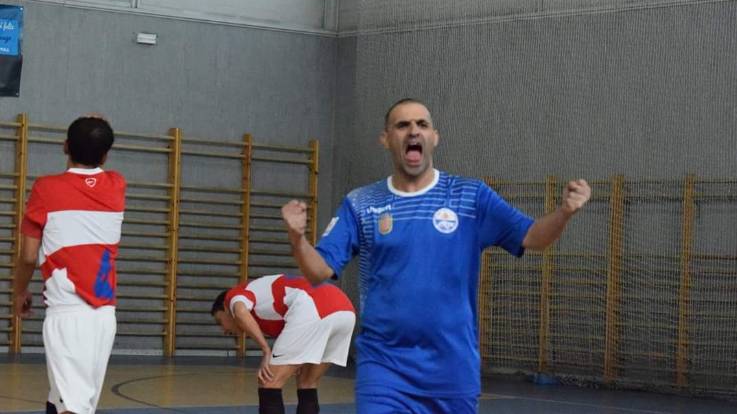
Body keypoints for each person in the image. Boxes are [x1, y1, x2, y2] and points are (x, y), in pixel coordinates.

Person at [281, 98, 592, 413]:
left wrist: (564, 213)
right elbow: (318, 271)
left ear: (434, 137)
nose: (413, 131)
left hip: (453, 369)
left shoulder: (471, 197)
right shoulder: (361, 203)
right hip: (385, 367)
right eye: (403, 125)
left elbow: (533, 237)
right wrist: (297, 239)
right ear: (386, 139)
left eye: (422, 124)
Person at [14, 116, 125, 414]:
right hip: (104, 316)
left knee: (71, 408)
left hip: (68, 315)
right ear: (105, 155)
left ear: (65, 146)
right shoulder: (117, 185)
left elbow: (28, 256)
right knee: (62, 399)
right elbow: (97, 140)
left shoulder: (46, 189)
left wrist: (20, 291)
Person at [211, 274, 356, 414]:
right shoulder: (267, 314)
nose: (223, 330)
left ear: (225, 308)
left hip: (314, 306)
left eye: (219, 321)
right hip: (345, 310)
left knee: (269, 381)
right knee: (307, 382)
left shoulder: (232, 296)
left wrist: (266, 350)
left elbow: (240, 311)